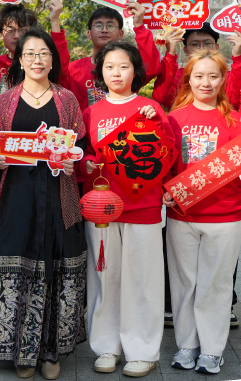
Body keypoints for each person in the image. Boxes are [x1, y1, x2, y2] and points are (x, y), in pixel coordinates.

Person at [0, 28, 87, 380]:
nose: (37, 59)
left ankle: (50, 351)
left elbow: (80, 144)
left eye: (44, 53)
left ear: (52, 59)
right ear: (20, 59)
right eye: (30, 53)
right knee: (19, 267)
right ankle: (22, 351)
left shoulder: (67, 99)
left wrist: (74, 158)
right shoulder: (5, 100)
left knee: (56, 268)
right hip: (17, 196)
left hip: (59, 196)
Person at [0, 2, 69, 291]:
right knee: (0, 224)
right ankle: (0, 296)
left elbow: (63, 67)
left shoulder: (42, 65)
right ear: (0, 34)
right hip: (3, 158)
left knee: (38, 222)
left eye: (24, 30)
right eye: (10, 30)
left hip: (42, 158)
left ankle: (37, 289)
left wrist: (56, 25)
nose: (17, 35)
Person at [79, 40, 172, 377]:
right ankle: (106, 346)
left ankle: (142, 349)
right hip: (102, 212)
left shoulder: (151, 107)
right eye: (109, 67)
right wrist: (88, 164)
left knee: (142, 280)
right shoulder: (90, 113)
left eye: (123, 66)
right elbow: (80, 157)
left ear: (136, 71)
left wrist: (157, 124)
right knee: (104, 278)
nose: (116, 73)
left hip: (143, 208)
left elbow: (169, 154)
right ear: (100, 73)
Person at [159, 51, 241, 375]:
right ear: (188, 79)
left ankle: (212, 350)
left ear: (224, 80)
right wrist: (164, 189)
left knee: (215, 285)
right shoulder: (174, 118)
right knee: (184, 284)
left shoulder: (236, 120)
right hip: (182, 217)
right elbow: (162, 164)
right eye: (199, 76)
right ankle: (187, 345)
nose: (206, 82)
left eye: (213, 76)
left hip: (225, 216)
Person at [61, 2, 162, 112]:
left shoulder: (129, 68)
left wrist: (139, 26)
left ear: (121, 34)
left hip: (124, 127)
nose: (104, 30)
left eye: (110, 26)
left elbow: (152, 68)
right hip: (84, 128)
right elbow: (57, 81)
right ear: (89, 34)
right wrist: (55, 22)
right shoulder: (73, 69)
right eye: (99, 26)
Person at [151, 23, 241, 111]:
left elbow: (240, 98)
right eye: (195, 44)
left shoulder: (227, 77)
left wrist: (238, 56)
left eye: (207, 43)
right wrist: (170, 54)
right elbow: (161, 97)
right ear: (185, 50)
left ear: (216, 48)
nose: (201, 48)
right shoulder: (178, 76)